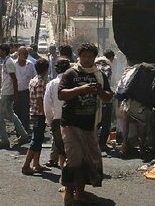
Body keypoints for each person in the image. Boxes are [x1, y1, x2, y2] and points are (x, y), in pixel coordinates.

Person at [59, 42, 113, 205]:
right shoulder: (70, 73)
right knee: (74, 159)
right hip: (71, 124)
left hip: (90, 125)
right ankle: (69, 192)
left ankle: (80, 193)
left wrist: (100, 91)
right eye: (84, 56)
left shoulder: (99, 75)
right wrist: (81, 90)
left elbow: (108, 96)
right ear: (79, 57)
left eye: (90, 57)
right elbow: (61, 94)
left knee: (88, 159)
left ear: (95, 58)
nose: (87, 59)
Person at [0, 44, 30, 148]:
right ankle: (24, 135)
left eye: (0, 50)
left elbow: (14, 79)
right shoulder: (6, 61)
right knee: (10, 114)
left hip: (7, 93)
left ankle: (4, 140)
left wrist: (15, 94)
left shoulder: (9, 62)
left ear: (4, 51)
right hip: (7, 91)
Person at [23, 58, 50, 174]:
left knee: (38, 139)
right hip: (39, 114)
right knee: (36, 139)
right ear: (46, 70)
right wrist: (46, 115)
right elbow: (40, 100)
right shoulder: (41, 82)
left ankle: (36, 163)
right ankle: (26, 165)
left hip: (33, 113)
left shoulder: (33, 80)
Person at [45, 56, 72, 168]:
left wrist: (50, 120)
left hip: (57, 119)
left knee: (61, 149)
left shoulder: (51, 84)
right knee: (71, 150)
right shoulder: (73, 83)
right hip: (72, 120)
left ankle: (64, 177)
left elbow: (47, 105)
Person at [96, 49, 116, 152]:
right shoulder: (107, 67)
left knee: (95, 121)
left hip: (93, 98)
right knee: (106, 122)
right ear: (111, 58)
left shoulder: (94, 65)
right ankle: (102, 144)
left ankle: (93, 143)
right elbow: (106, 84)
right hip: (104, 99)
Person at [15, 46, 37, 132]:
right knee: (17, 111)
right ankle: (18, 129)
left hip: (26, 92)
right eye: (23, 54)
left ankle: (24, 130)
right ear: (18, 54)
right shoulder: (14, 64)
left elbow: (34, 78)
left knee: (25, 111)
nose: (25, 55)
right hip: (16, 92)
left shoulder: (30, 65)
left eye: (26, 54)